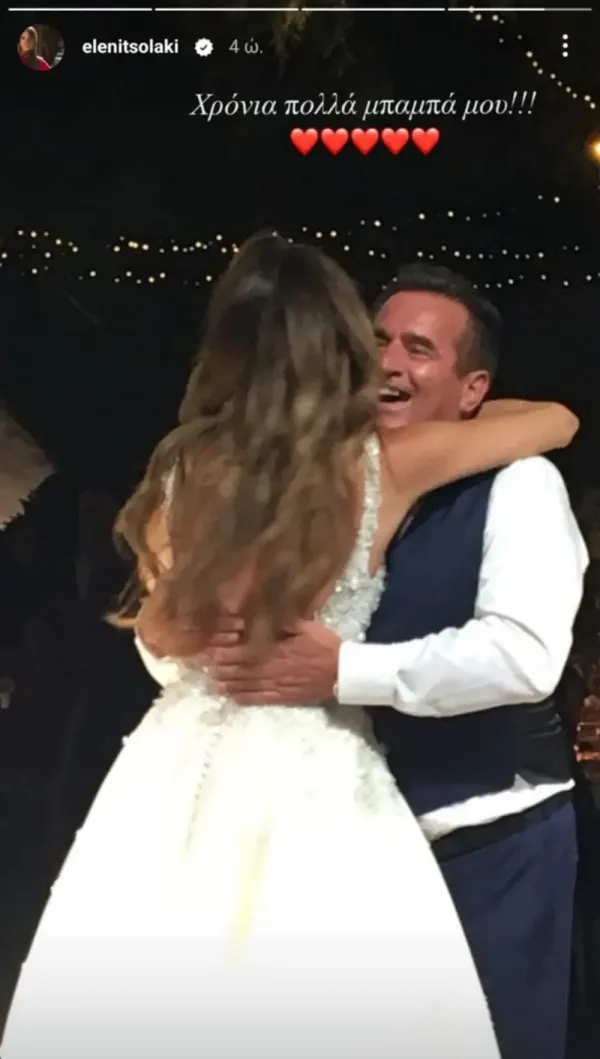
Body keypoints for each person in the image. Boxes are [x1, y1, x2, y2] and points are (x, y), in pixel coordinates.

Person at [1, 238, 578, 1059]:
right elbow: (557, 420)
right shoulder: (382, 464)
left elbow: (158, 643)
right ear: (339, 344)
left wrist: (219, 640)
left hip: (182, 763)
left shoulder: (185, 465)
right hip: (318, 759)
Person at [206, 263, 588, 1059]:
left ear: (474, 388)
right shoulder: (322, 478)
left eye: (419, 349)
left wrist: (346, 671)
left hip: (485, 842)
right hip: (344, 846)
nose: (388, 363)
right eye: (377, 340)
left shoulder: (521, 484)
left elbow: (523, 655)